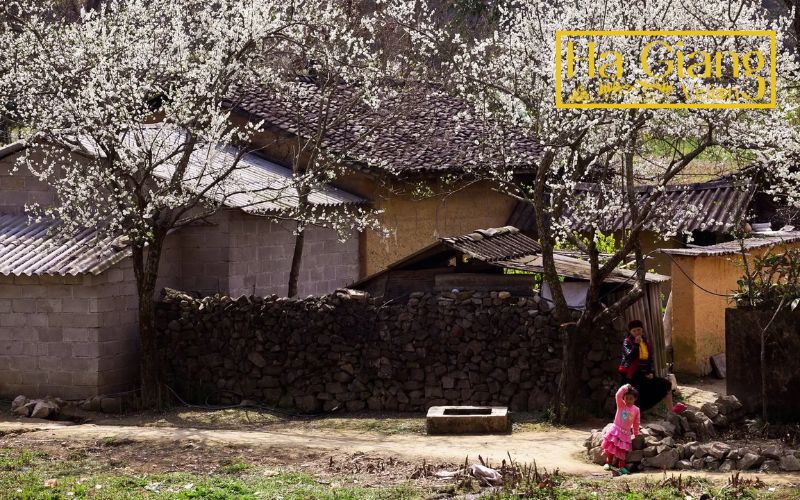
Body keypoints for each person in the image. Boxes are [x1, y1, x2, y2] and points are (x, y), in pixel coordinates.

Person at [619, 319, 686, 414]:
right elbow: (630, 357)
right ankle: (629, 418)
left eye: (639, 330)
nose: (637, 332)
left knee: (666, 385)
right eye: (634, 331)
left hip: (643, 375)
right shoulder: (627, 342)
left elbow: (649, 360)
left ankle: (671, 411)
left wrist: (651, 372)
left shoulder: (645, 342)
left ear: (642, 330)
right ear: (630, 332)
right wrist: (636, 345)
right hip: (631, 376)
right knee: (635, 397)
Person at [602, 383, 640, 475]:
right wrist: (625, 387)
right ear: (624, 398)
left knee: (622, 451)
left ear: (635, 399)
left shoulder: (636, 410)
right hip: (616, 430)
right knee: (611, 448)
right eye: (626, 398)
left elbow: (636, 422)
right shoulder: (621, 405)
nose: (628, 400)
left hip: (626, 433)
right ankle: (608, 463)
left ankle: (621, 467)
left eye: (631, 398)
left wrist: (636, 432)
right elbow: (618, 395)